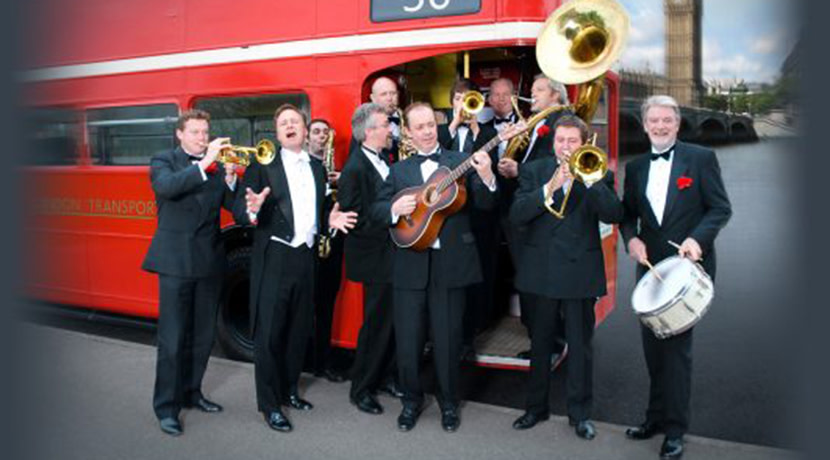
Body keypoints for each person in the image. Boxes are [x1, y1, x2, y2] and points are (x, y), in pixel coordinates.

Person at [371, 102, 498, 433]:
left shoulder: (459, 162)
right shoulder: (398, 171)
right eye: (420, 127)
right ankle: (410, 402)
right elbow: (377, 210)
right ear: (410, 134)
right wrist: (394, 208)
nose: (427, 131)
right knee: (409, 340)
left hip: (451, 266)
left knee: (448, 340)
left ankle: (449, 403)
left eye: (431, 125)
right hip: (409, 265)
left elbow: (486, 206)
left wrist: (486, 176)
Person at [233, 104, 357, 433]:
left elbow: (320, 208)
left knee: (298, 332)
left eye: (295, 122)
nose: (289, 126)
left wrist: (329, 218)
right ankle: (270, 405)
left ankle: (289, 391)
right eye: (283, 123)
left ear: (304, 131)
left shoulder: (316, 168)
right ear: (277, 133)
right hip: (274, 258)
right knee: (269, 335)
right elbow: (238, 210)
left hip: (306, 258)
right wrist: (252, 210)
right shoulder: (262, 165)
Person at [620, 95, 732, 459]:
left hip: (687, 271)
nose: (661, 126)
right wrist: (631, 238)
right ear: (645, 124)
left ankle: (675, 430)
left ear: (678, 123)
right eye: (654, 120)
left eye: (667, 120)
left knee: (677, 354)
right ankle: (654, 417)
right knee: (654, 350)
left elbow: (720, 208)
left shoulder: (700, 158)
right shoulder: (636, 167)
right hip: (650, 271)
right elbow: (627, 215)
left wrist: (697, 239)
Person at [509, 115, 623, 440]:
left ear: (584, 143)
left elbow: (615, 214)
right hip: (540, 270)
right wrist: (550, 188)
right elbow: (517, 215)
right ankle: (535, 408)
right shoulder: (533, 171)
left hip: (578, 271)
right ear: (553, 142)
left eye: (573, 141)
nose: (565, 147)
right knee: (540, 343)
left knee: (581, 347)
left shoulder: (599, 172)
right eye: (561, 140)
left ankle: (580, 414)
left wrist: (591, 181)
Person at [142, 109, 239, 436]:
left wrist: (236, 185)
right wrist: (203, 164)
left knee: (202, 337)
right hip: (174, 263)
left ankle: (192, 392)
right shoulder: (164, 161)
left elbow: (235, 208)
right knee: (172, 339)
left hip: (208, 262)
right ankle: (166, 407)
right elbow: (167, 188)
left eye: (205, 132)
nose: (202, 137)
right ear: (180, 135)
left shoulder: (215, 167)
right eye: (196, 132)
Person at [497, 74, 572, 359]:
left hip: (538, 215)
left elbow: (558, 160)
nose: (532, 95)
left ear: (555, 94)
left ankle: (547, 342)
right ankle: (541, 338)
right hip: (523, 209)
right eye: (532, 89)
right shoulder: (538, 120)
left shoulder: (559, 121)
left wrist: (519, 170)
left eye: (538, 90)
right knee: (528, 278)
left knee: (537, 281)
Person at [338, 103, 400, 415]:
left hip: (391, 255)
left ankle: (384, 377)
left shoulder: (384, 158)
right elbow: (355, 219)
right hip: (375, 258)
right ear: (369, 131)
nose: (390, 129)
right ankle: (360, 389)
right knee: (375, 325)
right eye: (385, 125)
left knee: (390, 323)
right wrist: (392, 215)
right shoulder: (353, 169)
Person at [437, 78, 500, 352]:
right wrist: (453, 124)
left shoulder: (486, 133)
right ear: (452, 102)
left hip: (478, 214)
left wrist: (474, 128)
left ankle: (473, 330)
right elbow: (434, 159)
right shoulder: (439, 131)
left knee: (478, 273)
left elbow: (491, 166)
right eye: (458, 99)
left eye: (469, 99)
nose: (463, 104)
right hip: (447, 215)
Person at [306, 118, 347, 383]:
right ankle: (304, 361)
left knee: (326, 305)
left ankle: (322, 362)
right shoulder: (302, 165)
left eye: (325, 133)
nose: (321, 137)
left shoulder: (334, 167)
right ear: (308, 137)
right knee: (305, 306)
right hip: (309, 244)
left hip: (331, 243)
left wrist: (340, 182)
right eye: (316, 132)